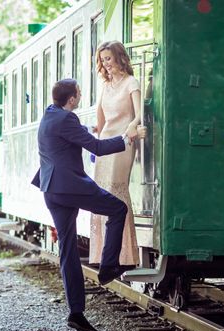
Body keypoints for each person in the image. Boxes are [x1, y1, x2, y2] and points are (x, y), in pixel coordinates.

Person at [31, 79, 146, 331]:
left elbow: (72, 135)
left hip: (51, 189)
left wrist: (91, 128)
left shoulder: (50, 116)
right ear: (71, 99)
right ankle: (108, 267)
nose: (80, 96)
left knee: (68, 249)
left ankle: (76, 313)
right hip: (70, 187)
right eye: (79, 94)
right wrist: (129, 137)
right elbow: (97, 147)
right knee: (117, 209)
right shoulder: (66, 120)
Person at [89, 41, 142, 268]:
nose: (105, 64)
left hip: (123, 143)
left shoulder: (131, 82)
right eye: (102, 60)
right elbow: (100, 122)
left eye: (108, 59)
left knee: (115, 191)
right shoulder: (106, 86)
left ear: (119, 58)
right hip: (104, 145)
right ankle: (105, 253)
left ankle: (125, 256)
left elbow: (140, 114)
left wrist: (132, 127)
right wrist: (95, 141)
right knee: (101, 192)